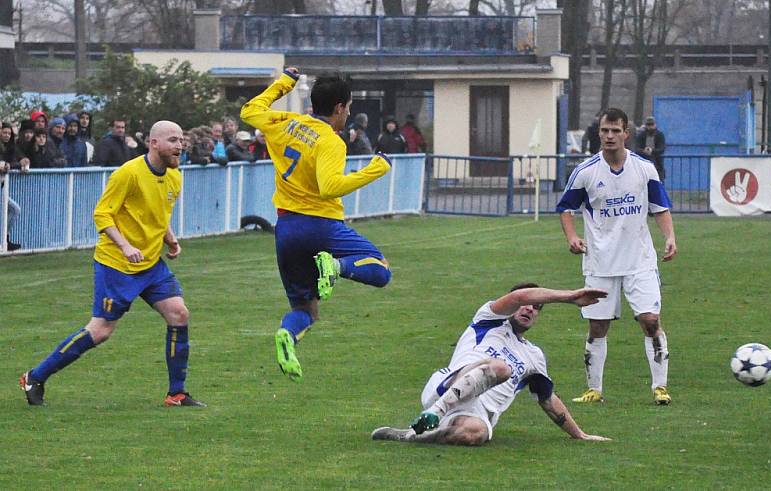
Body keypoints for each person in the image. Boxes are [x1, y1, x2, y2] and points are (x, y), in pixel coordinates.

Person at [19, 120, 205, 408]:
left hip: (150, 265)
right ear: (153, 143)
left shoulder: (174, 177)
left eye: (181, 140)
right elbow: (103, 215)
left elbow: (158, 214)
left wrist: (171, 239)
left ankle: (176, 394)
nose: (179, 145)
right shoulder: (128, 174)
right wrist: (126, 245)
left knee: (179, 314)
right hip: (116, 264)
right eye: (172, 140)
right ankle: (35, 376)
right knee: (101, 331)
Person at [240, 67, 392, 381]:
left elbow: (249, 110)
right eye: (348, 107)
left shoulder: (286, 123)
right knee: (381, 269)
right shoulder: (331, 142)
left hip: (286, 230)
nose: (348, 113)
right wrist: (375, 170)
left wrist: (284, 82)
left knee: (306, 311)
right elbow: (329, 187)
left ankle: (287, 336)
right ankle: (336, 267)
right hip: (321, 226)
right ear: (338, 108)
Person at [371, 283, 611, 445]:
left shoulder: (534, 355)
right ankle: (435, 412)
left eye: (537, 307)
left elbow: (548, 400)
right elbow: (519, 296)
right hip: (448, 386)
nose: (529, 308)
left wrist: (580, 435)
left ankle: (412, 436)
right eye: (527, 303)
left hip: (474, 410)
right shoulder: (489, 319)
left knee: (477, 434)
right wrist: (570, 296)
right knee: (500, 368)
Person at [556, 107, 677, 405]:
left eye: (615, 130)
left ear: (626, 133)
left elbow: (659, 207)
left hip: (640, 261)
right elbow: (565, 209)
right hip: (601, 263)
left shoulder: (644, 168)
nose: (609, 136)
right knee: (597, 327)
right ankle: (593, 389)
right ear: (599, 132)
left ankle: (660, 388)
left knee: (650, 320)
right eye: (604, 130)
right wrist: (572, 237)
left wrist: (670, 237)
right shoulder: (585, 172)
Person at [635, 116, 666, 181]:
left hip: (657, 163)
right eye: (648, 125)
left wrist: (652, 151)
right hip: (643, 164)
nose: (650, 127)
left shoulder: (660, 135)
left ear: (655, 124)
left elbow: (662, 148)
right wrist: (644, 151)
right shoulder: (641, 135)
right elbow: (637, 148)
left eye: (652, 125)